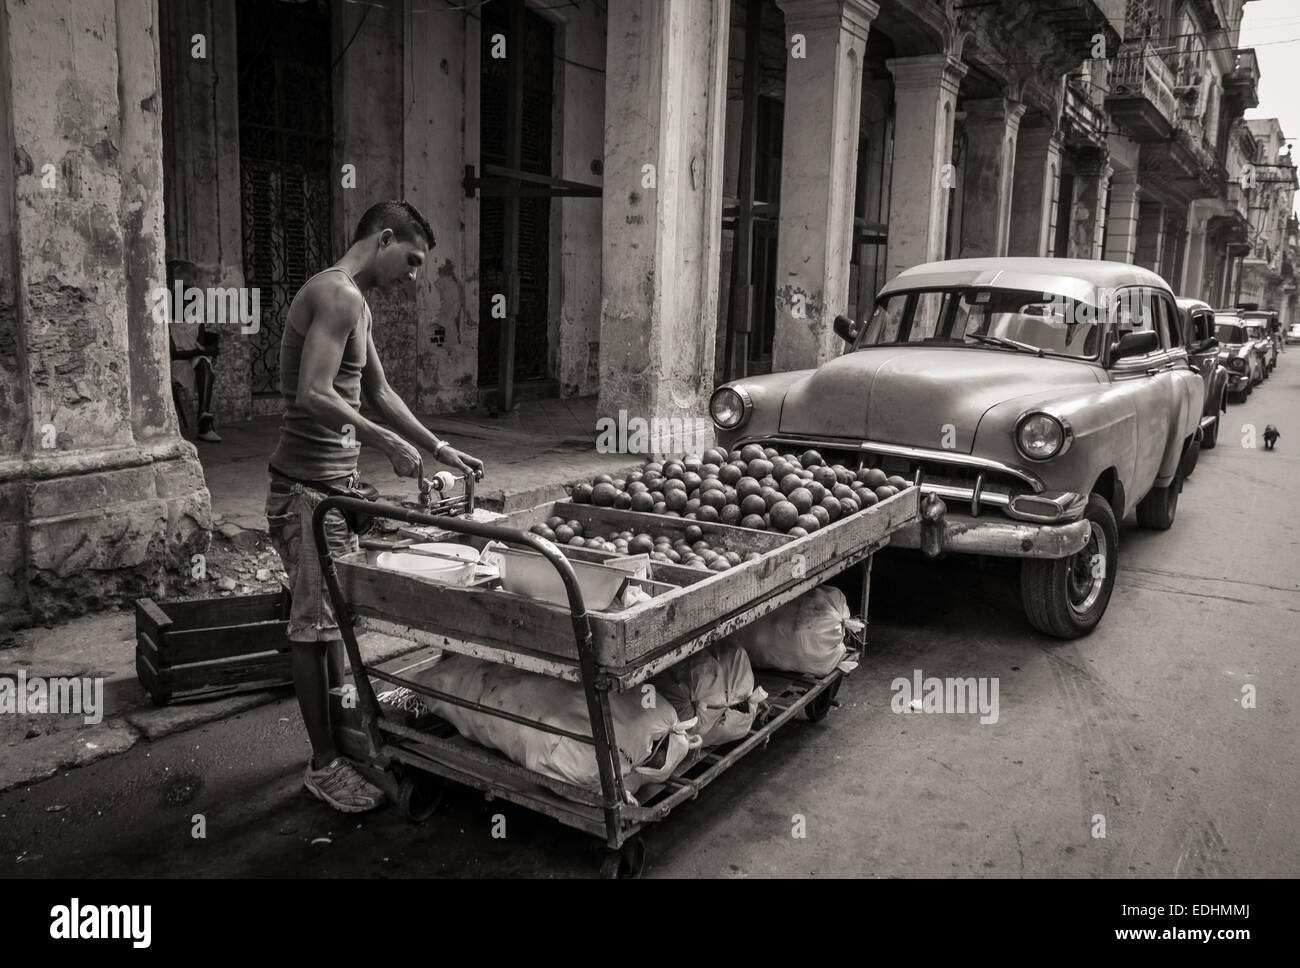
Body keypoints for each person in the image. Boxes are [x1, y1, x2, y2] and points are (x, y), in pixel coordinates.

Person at [265, 200, 484, 813]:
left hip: (331, 494)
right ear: (384, 239)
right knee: (312, 632)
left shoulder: (355, 304)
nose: (414, 275)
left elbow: (380, 392)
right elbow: (312, 393)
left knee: (332, 625)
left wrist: (441, 449)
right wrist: (381, 441)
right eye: (411, 260)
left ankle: (341, 741)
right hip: (305, 492)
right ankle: (323, 763)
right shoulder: (335, 295)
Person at [167, 259, 222, 442]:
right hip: (178, 363)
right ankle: (205, 425)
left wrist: (204, 350)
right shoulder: (168, 323)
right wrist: (199, 352)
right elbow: (173, 354)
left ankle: (204, 415)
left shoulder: (196, 322)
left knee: (204, 363)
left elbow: (200, 345)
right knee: (201, 360)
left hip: (193, 360)